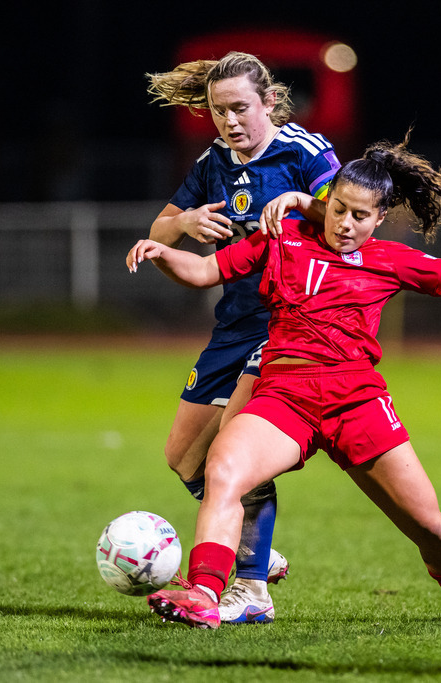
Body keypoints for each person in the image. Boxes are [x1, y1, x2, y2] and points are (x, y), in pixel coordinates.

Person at [127, 135, 441, 629]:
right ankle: (205, 593)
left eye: (360, 216)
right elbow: (206, 269)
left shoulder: (392, 258)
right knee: (223, 469)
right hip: (285, 397)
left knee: (429, 527)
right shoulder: (282, 239)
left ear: (379, 220)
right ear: (326, 202)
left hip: (357, 404)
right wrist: (161, 252)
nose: (346, 224)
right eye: (339, 210)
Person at [145, 51, 340, 623]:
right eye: (217, 111)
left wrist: (307, 201)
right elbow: (160, 226)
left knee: (234, 452)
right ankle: (251, 545)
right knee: (184, 457)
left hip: (287, 323)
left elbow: (352, 210)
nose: (229, 122)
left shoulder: (305, 151)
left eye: (239, 109)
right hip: (232, 324)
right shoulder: (214, 163)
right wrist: (180, 225)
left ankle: (250, 589)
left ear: (270, 102)